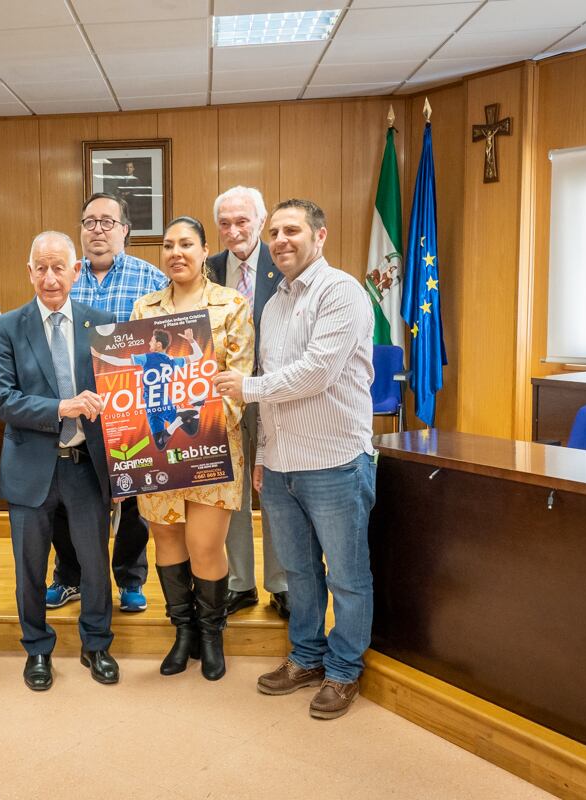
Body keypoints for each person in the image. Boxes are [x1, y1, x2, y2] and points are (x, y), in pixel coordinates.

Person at [214, 199, 376, 720]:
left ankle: (345, 669)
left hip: (334, 459)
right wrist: (263, 458)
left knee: (347, 576)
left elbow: (315, 373)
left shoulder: (341, 291)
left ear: (320, 235)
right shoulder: (275, 303)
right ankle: (306, 656)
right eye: (277, 232)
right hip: (282, 463)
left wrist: (247, 387)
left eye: (293, 230)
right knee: (300, 573)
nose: (281, 240)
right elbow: (279, 388)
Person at [0, 231, 118, 692]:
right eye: (40, 267)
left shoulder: (102, 324)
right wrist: (61, 407)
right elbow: (2, 400)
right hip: (30, 469)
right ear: (29, 273)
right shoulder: (7, 326)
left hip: (87, 466)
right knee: (29, 567)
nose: (49, 277)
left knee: (96, 565)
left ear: (76, 271)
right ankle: (37, 649)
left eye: (58, 267)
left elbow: (119, 398)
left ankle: (96, 644)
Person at [128, 216, 254, 681]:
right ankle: (183, 632)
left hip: (210, 447)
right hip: (158, 450)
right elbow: (130, 383)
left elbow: (238, 382)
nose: (176, 252)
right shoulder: (144, 310)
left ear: (205, 251)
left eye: (186, 244)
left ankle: (211, 635)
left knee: (205, 543)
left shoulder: (231, 305)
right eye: (168, 244)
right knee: (165, 539)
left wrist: (203, 423)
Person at [47, 192, 169, 614]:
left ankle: (130, 579)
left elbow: (163, 343)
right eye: (89, 222)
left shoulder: (151, 279)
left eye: (107, 222)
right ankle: (69, 576)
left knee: (134, 500)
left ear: (125, 231)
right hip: (75, 409)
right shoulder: (63, 278)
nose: (97, 230)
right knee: (67, 497)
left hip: (130, 408)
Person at [205, 186, 289, 619]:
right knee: (231, 491)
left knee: (273, 488)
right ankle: (239, 583)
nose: (234, 230)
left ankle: (281, 582)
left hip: (273, 393)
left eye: (242, 221)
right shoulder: (209, 268)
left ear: (260, 221)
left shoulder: (282, 265)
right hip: (223, 397)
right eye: (225, 223)